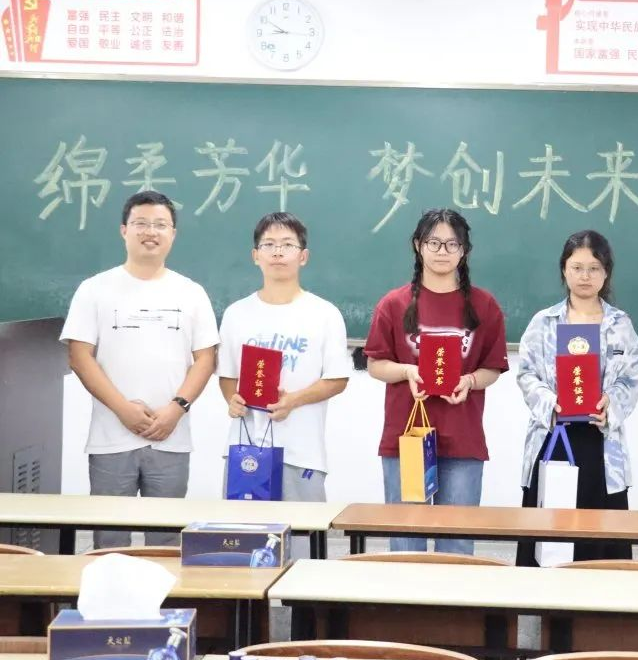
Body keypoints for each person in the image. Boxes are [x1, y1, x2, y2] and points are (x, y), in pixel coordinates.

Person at [59, 190, 218, 548]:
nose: (151, 232)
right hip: (110, 438)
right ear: (124, 230)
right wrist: (123, 409)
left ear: (173, 233)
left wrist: (176, 409)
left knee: (167, 542)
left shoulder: (191, 292)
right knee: (109, 541)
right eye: (141, 223)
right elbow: (80, 356)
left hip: (171, 435)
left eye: (160, 225)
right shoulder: (94, 289)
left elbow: (206, 359)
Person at [364, 208, 508, 554]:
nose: (442, 251)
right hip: (406, 440)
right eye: (433, 242)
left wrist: (470, 381)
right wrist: (407, 371)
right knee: (405, 541)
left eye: (451, 244)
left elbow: (492, 368)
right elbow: (375, 364)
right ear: (418, 245)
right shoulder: (394, 304)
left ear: (464, 250)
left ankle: (453, 595)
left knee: (456, 542)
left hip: (463, 441)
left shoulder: (484, 305)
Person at [516, 230, 638, 565]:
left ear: (606, 272)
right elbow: (526, 374)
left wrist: (611, 404)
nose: (585, 276)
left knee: (600, 543)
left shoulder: (620, 324)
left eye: (594, 268)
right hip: (552, 437)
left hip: (602, 442)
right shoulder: (544, 322)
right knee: (550, 538)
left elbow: (631, 379)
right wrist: (549, 403)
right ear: (564, 270)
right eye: (577, 267)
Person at [217, 212, 351, 513]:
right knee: (243, 536)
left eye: (288, 244)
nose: (277, 252)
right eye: (269, 244)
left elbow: (337, 379)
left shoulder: (324, 314)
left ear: (303, 256)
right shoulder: (236, 313)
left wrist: (294, 400)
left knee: (303, 535)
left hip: (301, 452)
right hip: (245, 450)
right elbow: (227, 376)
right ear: (255, 256)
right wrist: (231, 399)